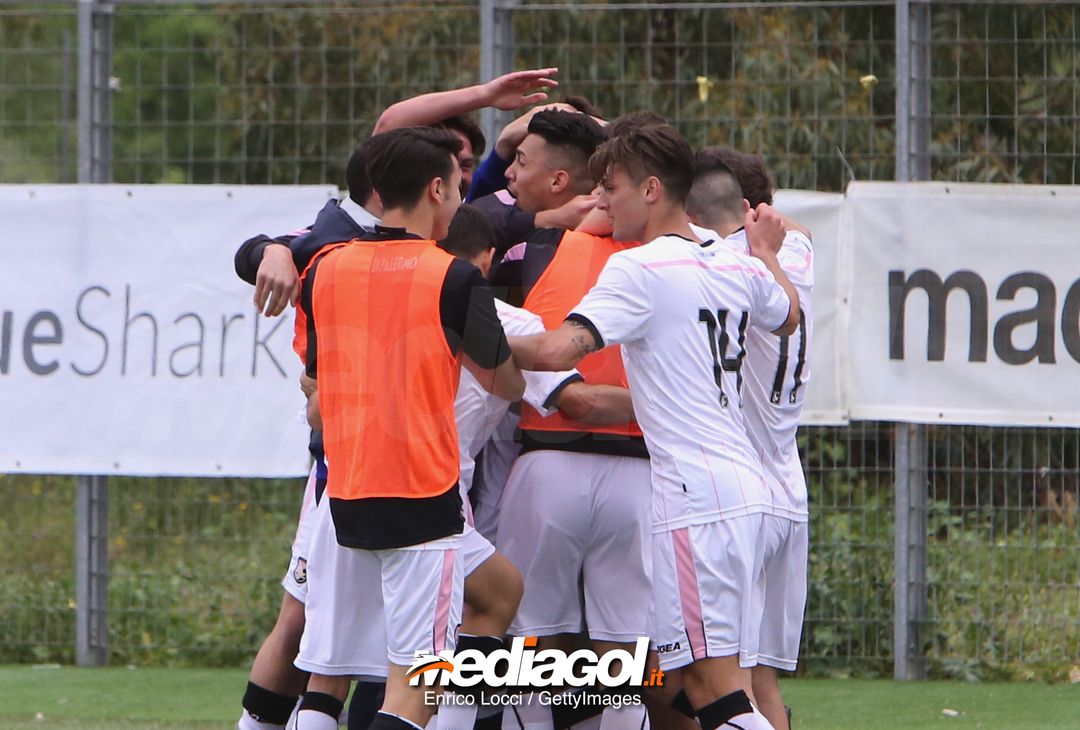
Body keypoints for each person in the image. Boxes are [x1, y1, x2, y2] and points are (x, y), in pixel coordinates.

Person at [508, 124, 800, 730]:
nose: (599, 200)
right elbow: (788, 316)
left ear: (650, 189)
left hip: (695, 499)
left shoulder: (639, 268)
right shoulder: (731, 261)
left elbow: (560, 350)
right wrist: (766, 253)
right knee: (697, 683)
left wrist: (461, 330)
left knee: (714, 692)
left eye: (609, 187)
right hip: (744, 492)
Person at [293, 127, 524, 730]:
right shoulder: (452, 275)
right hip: (422, 495)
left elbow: (317, 384)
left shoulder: (326, 269)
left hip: (347, 491)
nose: (459, 200)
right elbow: (507, 384)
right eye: (456, 186)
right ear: (435, 189)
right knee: (417, 684)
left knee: (338, 668)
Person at [687, 152, 814, 730]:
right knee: (760, 674)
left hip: (745, 493)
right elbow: (796, 230)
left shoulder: (729, 259)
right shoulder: (799, 251)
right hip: (788, 484)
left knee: (727, 676)